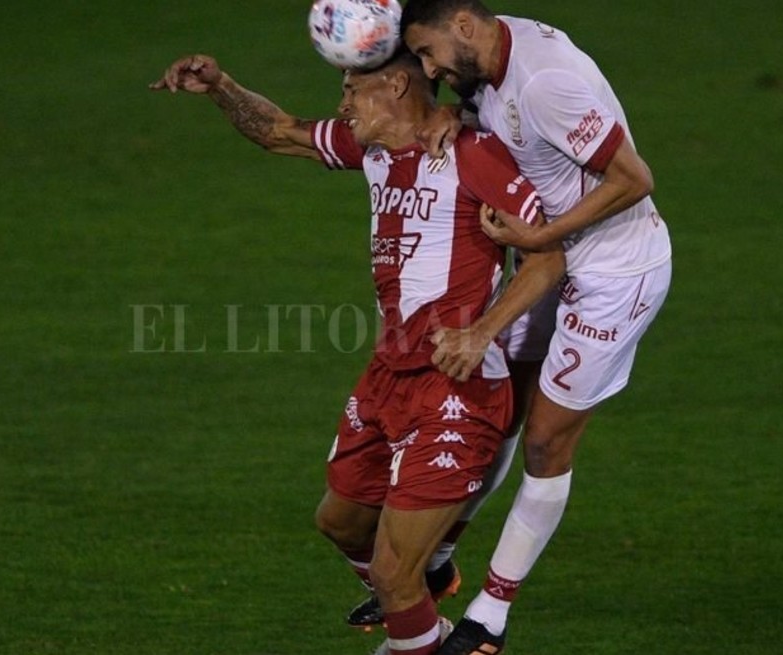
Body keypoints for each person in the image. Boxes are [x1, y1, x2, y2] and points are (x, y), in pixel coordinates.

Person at [150, 50, 564, 655]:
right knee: (341, 523)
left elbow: (548, 258)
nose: (342, 103)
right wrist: (220, 86)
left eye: (351, 87)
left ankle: (414, 630)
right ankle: (422, 615)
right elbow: (278, 132)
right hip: (387, 375)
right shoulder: (367, 148)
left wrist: (481, 332)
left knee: (396, 576)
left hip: (457, 386)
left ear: (397, 84)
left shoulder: (474, 155)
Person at [399, 1, 674, 653]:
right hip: (552, 261)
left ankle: (490, 615)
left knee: (547, 442)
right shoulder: (494, 56)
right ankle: (437, 557)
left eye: (430, 53)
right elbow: (496, 119)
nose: (431, 70)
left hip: (613, 276)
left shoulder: (544, 81)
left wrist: (541, 234)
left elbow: (634, 177)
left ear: (463, 25)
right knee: (500, 408)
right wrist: (452, 114)